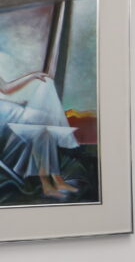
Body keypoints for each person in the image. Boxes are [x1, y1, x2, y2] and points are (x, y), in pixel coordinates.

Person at [0, 65, 80, 198]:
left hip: (5, 109)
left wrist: (32, 76)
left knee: (43, 129)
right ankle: (49, 183)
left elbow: (5, 88)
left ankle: (54, 181)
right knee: (38, 124)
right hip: (3, 112)